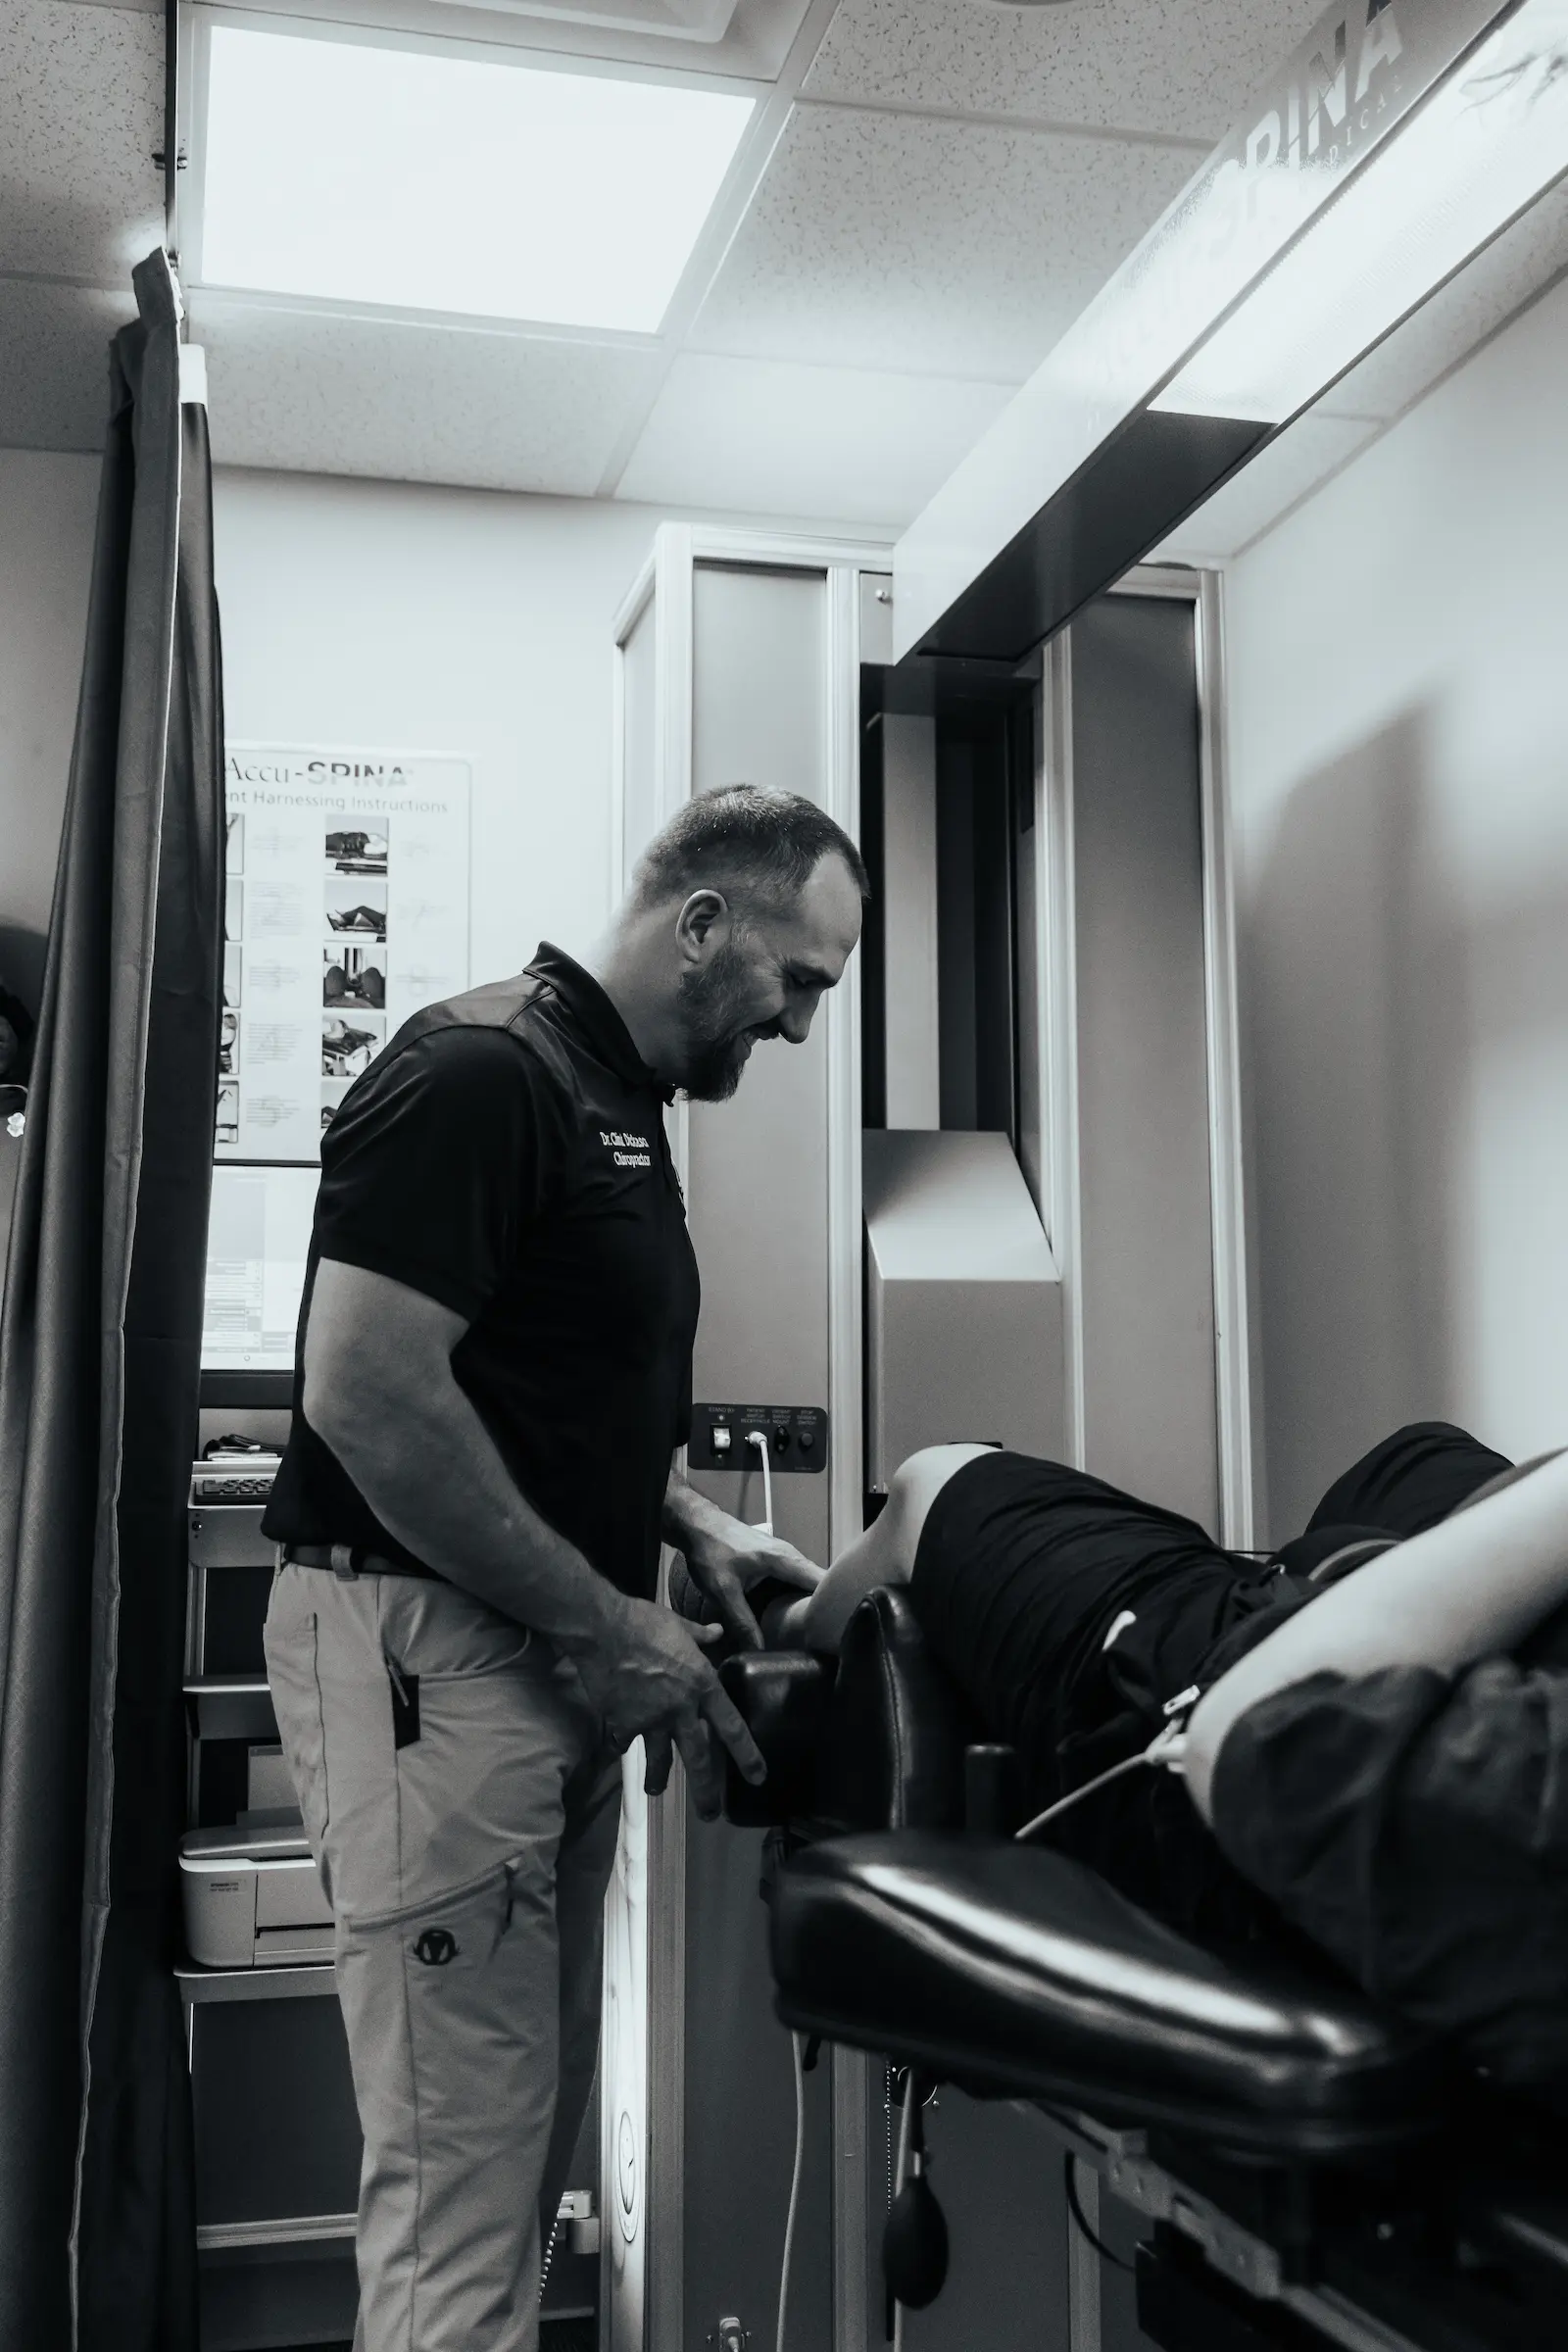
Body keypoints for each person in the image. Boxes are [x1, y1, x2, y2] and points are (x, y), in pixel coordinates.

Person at [262, 785, 866, 2352]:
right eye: (799, 982)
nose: (801, 1026)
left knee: (518, 2165)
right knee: (459, 2209)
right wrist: (607, 1624)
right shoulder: (478, 1072)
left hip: (541, 1660)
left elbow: (524, 1380)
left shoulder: (615, 1096)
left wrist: (679, 1517)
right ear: (703, 923)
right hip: (433, 1655)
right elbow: (365, 1393)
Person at [761, 1424, 1568, 2108]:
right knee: (1418, 1458)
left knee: (938, 1480)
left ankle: (779, 1613)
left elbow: (1258, 1734)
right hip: (1425, 1654)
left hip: (1227, 1711)